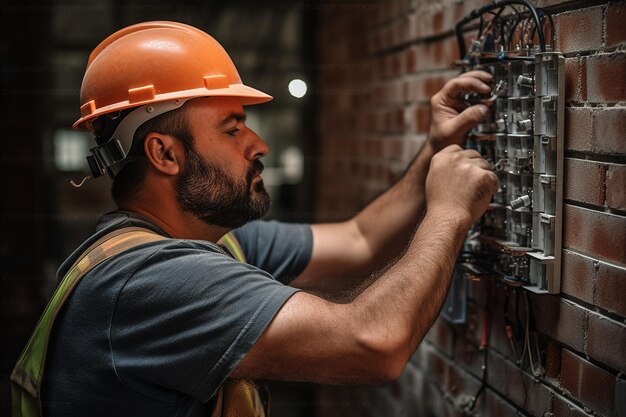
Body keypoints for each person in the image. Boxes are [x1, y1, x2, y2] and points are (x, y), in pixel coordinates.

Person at [14, 21, 498, 416]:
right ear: (164, 153)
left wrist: (435, 149)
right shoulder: (150, 282)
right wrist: (450, 211)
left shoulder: (210, 241)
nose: (259, 145)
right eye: (232, 128)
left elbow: (361, 239)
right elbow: (373, 344)